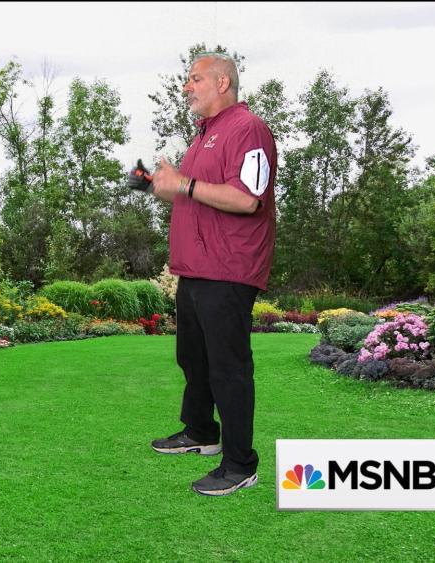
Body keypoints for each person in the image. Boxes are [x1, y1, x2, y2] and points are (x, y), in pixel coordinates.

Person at [128, 52, 277, 496]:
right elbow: (192, 196)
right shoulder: (203, 137)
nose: (186, 87)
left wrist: (185, 183)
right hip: (194, 269)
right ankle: (200, 432)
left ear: (222, 83)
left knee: (228, 369)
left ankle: (240, 464)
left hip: (229, 269)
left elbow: (248, 198)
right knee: (194, 359)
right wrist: (156, 184)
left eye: (195, 79)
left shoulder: (247, 129)